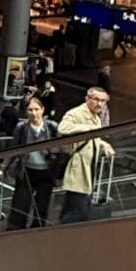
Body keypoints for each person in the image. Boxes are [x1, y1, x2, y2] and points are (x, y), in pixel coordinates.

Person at [57, 87, 114, 223]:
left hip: (89, 170)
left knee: (74, 207)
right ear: (87, 99)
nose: (99, 104)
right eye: (96, 99)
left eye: (103, 101)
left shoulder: (96, 117)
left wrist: (103, 145)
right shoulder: (76, 113)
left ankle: (60, 231)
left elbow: (94, 139)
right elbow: (63, 128)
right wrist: (87, 129)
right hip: (78, 169)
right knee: (79, 211)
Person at [9, 94, 59, 227]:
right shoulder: (22, 127)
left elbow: (60, 147)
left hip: (46, 172)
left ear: (42, 110)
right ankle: (17, 229)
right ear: (26, 112)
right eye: (30, 110)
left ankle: (38, 228)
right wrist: (3, 168)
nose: (34, 113)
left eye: (37, 109)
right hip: (26, 170)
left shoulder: (52, 127)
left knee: (42, 205)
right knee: (21, 204)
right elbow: (13, 148)